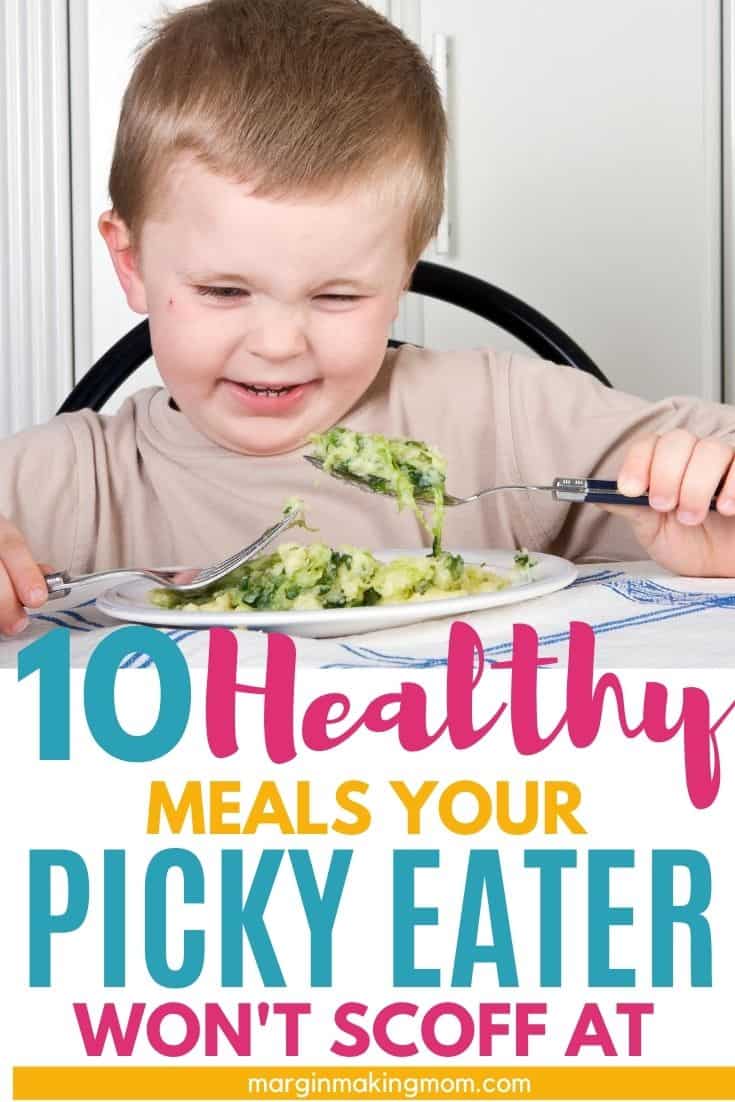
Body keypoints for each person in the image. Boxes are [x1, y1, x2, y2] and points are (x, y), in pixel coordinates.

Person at [1, 0, 734, 637]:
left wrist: (715, 519)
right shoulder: (65, 482)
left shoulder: (497, 418)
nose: (279, 345)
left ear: (402, 273)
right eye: (224, 292)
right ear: (130, 263)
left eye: (337, 297)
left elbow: (712, 454)